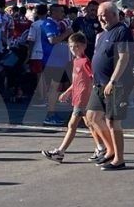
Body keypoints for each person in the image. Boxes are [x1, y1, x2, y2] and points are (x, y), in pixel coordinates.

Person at [41, 33, 102, 162]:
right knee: (89, 124)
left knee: (72, 125)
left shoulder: (85, 61)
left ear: (83, 46)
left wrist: (93, 94)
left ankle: (60, 152)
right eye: (71, 47)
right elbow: (77, 81)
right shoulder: (75, 61)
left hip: (83, 98)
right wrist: (67, 92)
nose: (74, 49)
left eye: (76, 46)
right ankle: (101, 147)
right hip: (78, 96)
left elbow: (93, 78)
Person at [88, 1, 134, 170]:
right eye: (99, 15)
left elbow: (124, 58)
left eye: (104, 15)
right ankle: (110, 150)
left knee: (113, 121)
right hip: (99, 83)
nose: (100, 18)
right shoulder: (103, 33)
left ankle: (119, 159)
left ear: (114, 14)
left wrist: (113, 81)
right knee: (92, 117)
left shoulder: (122, 31)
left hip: (117, 84)